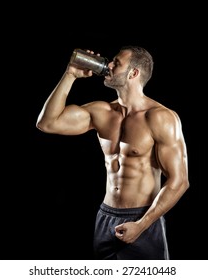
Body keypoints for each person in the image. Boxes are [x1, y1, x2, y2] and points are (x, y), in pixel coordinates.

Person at [36, 45, 189, 260]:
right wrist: (70, 74)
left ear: (133, 73)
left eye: (117, 63)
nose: (108, 65)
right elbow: (47, 123)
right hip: (106, 216)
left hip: (143, 219)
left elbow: (179, 181)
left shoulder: (160, 117)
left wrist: (141, 224)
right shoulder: (102, 111)